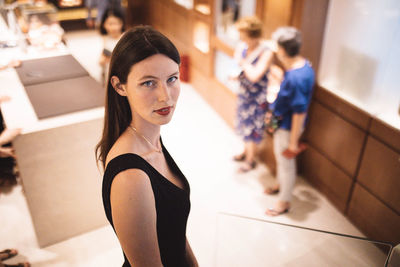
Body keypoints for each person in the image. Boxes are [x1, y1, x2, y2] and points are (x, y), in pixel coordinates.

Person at [95, 26, 198, 267]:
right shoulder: (131, 176)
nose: (166, 96)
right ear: (120, 86)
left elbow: (174, 230)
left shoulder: (151, 141)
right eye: (149, 83)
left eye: (172, 78)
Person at [264, 27, 315, 216]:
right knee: (281, 159)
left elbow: (299, 112)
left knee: (286, 163)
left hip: (287, 127)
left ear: (283, 49)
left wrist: (293, 142)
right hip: (282, 122)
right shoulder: (304, 65)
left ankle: (284, 202)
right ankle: (280, 185)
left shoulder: (296, 77)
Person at [232, 16, 274, 172]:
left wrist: (242, 62)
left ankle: (250, 160)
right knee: (243, 125)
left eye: (244, 35)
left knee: (253, 129)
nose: (242, 39)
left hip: (257, 98)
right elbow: (244, 71)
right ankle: (245, 152)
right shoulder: (243, 47)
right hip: (244, 94)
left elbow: (255, 76)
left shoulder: (266, 52)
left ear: (253, 35)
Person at [99, 7, 125, 86]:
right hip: (109, 76)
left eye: (116, 23)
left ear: (122, 24)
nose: (113, 27)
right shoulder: (106, 39)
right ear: (104, 25)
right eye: (110, 24)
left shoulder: (125, 38)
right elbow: (102, 60)